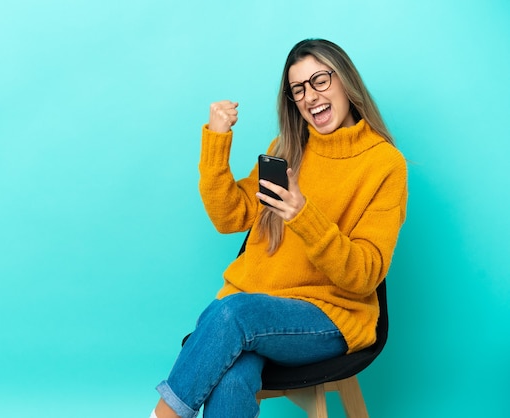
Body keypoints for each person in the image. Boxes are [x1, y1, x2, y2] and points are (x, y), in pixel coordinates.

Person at [151, 38, 408, 418]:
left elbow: (365, 274)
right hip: (253, 312)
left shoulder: (384, 165)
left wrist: (303, 216)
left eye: (320, 80)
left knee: (228, 315)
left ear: (345, 82)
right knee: (233, 374)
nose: (310, 96)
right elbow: (229, 217)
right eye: (298, 89)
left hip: (329, 316)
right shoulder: (289, 148)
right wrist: (217, 142)